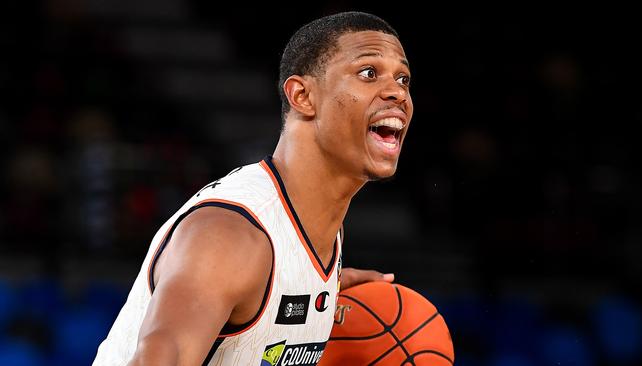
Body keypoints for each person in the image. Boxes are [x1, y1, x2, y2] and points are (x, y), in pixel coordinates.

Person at [93, 10, 413, 366]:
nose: (397, 92)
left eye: (403, 79)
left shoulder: (313, 231)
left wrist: (312, 291)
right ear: (302, 96)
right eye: (369, 73)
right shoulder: (228, 235)